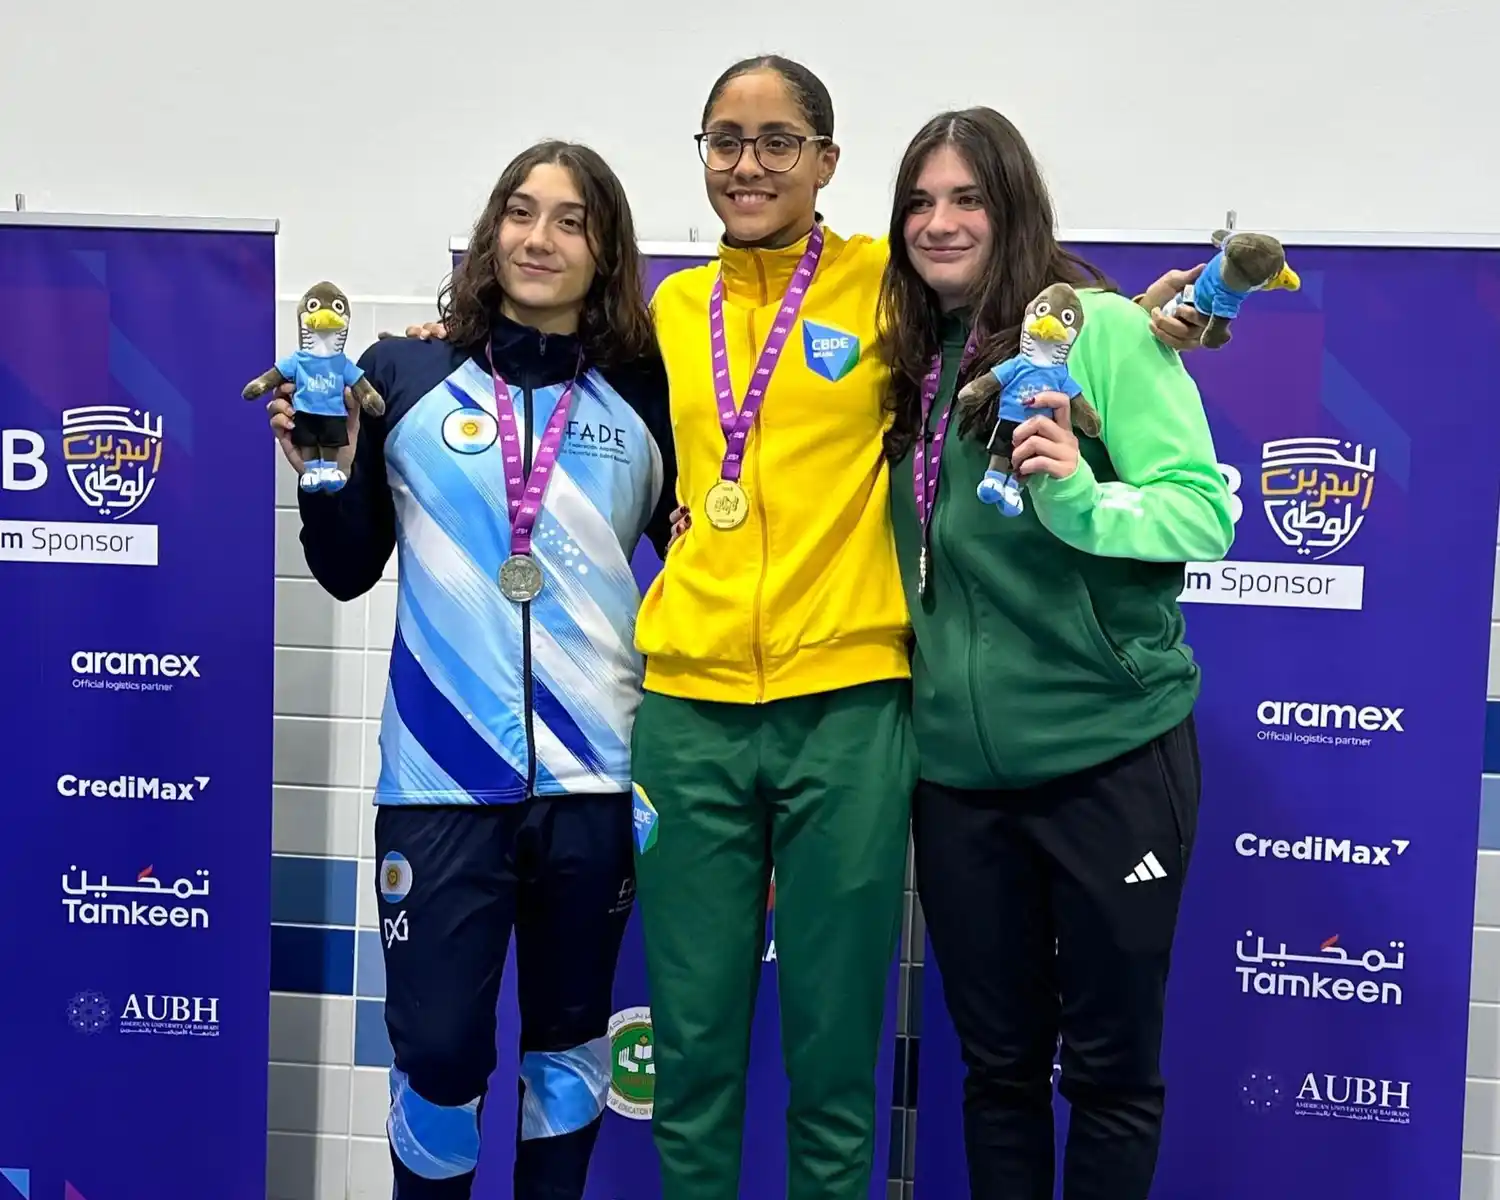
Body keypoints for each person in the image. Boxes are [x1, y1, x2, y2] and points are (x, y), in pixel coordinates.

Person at [400, 60, 1206, 1200]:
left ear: (827, 162)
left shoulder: (888, 287)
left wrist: (1150, 318)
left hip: (854, 714)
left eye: (779, 141)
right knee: (690, 1056)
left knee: (835, 1057)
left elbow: (1028, 307)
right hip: (687, 717)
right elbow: (544, 342)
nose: (749, 163)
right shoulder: (670, 313)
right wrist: (443, 338)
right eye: (725, 140)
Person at [267, 140, 676, 1200]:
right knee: (442, 1056)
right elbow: (349, 568)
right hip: (439, 786)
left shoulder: (646, 392)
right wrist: (321, 474)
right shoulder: (401, 373)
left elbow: (704, 575)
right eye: (523, 213)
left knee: (571, 1046)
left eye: (573, 220)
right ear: (493, 230)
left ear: (605, 250)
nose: (542, 239)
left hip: (597, 784)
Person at [878, 107, 1234, 1200]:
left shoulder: (1107, 332)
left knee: (1113, 1073)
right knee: (996, 1074)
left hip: (1110, 757)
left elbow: (1202, 515)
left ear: (1014, 204)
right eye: (921, 203)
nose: (941, 223)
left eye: (968, 198)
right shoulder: (900, 364)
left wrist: (1077, 499)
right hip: (960, 781)